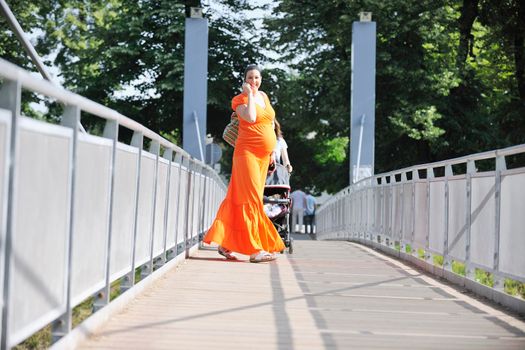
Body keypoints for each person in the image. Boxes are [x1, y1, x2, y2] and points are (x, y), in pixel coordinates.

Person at [203, 64, 285, 263]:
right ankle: (255, 250)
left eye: (257, 77)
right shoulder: (239, 100)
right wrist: (248, 95)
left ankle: (226, 243)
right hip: (246, 153)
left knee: (245, 197)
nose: (254, 81)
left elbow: (270, 123)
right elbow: (251, 117)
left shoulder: (264, 97)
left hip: (263, 156)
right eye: (250, 78)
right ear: (245, 80)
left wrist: (273, 151)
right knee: (250, 199)